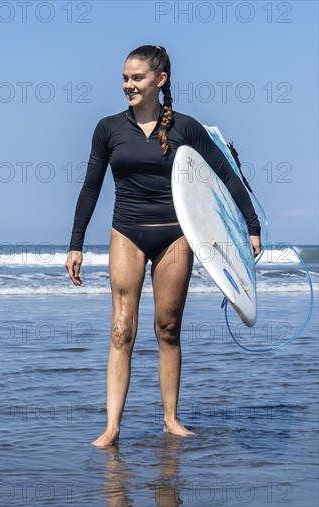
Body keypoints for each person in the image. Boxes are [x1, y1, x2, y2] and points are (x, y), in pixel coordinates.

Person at [65, 45, 261, 447]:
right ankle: (112, 427)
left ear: (160, 80)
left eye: (137, 78)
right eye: (124, 78)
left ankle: (170, 419)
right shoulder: (108, 128)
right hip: (127, 231)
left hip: (175, 233)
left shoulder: (186, 128)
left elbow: (225, 175)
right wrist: (76, 244)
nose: (128, 85)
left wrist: (251, 227)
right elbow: (91, 187)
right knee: (121, 331)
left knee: (167, 328)